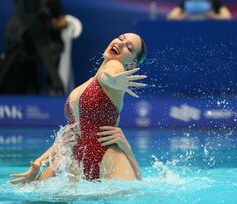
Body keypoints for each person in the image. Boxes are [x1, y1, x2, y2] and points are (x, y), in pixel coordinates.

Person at [9, 32, 147, 184]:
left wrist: (114, 80)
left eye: (129, 47)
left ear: (132, 64)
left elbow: (109, 75)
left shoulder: (115, 66)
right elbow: (70, 137)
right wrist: (39, 163)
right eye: (121, 38)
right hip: (77, 162)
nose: (121, 43)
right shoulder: (88, 84)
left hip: (108, 160)